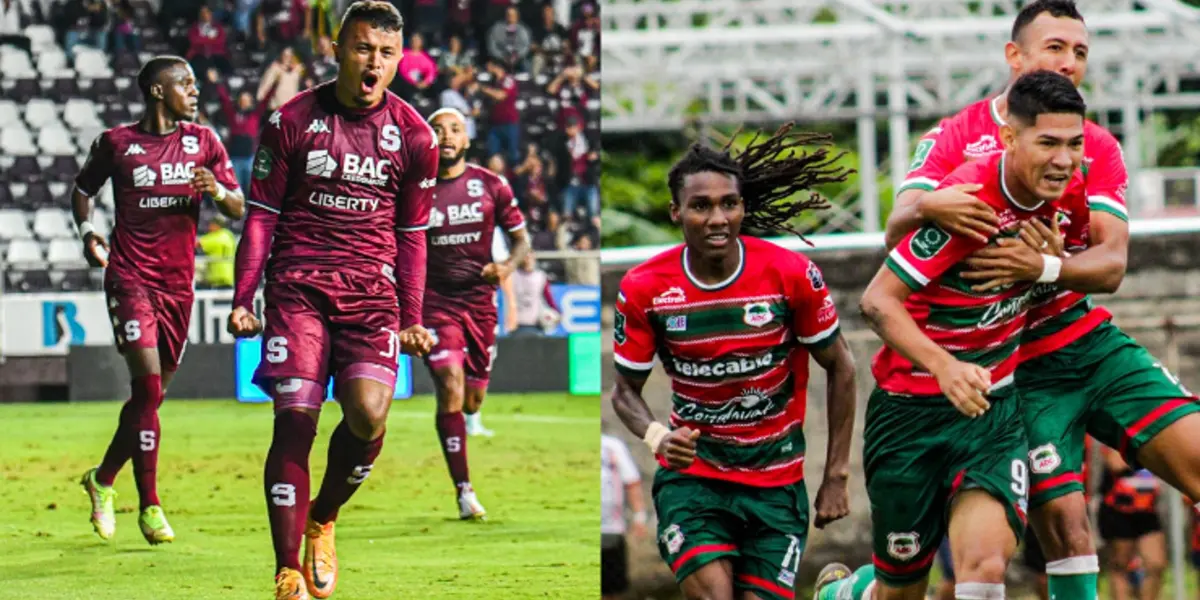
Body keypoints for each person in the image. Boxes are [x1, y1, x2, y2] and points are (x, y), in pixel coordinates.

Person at [888, 3, 1200, 597]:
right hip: (1013, 366)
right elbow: (895, 233)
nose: (1070, 62)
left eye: (1081, 52)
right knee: (1067, 526)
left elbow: (1110, 264)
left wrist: (1046, 266)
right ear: (1016, 57)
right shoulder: (954, 137)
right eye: (1055, 47)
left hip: (1086, 343)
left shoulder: (1094, 146)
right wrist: (929, 205)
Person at [225, 2, 437, 598]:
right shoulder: (290, 119)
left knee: (369, 415)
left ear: (399, 60)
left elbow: (412, 238)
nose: (374, 62)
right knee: (295, 417)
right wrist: (246, 296)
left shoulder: (416, 136)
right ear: (337, 48)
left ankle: (323, 515)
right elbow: (262, 217)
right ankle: (286, 569)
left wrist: (413, 317)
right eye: (364, 48)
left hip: (372, 295)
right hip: (298, 287)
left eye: (386, 53)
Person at [857, 70, 1089, 599]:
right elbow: (876, 301)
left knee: (984, 571)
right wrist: (944, 366)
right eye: (1048, 143)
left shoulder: (1069, 190)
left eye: (1074, 144)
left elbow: (1067, 275)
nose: (1064, 160)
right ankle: (855, 593)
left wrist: (1051, 265)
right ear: (1009, 137)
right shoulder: (970, 204)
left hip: (992, 412)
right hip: (908, 413)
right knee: (902, 589)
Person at [611, 123, 858, 600]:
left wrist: (835, 477)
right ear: (676, 211)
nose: (718, 217)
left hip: (776, 482)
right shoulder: (645, 287)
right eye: (701, 206)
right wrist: (659, 437)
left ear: (743, 207)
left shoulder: (790, 273)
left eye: (729, 203)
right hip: (695, 481)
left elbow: (842, 366)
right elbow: (624, 392)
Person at [74, 56, 245, 545]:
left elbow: (239, 205)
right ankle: (149, 505)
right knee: (147, 391)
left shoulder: (204, 142)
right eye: (185, 84)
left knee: (151, 398)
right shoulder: (117, 143)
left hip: (178, 287)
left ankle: (102, 479)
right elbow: (83, 190)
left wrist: (216, 191)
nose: (194, 91)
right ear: (156, 90)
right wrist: (88, 234)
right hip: (129, 278)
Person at [422, 107, 530, 519]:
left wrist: (506, 267)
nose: (446, 136)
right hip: (434, 303)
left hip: (480, 305)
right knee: (449, 383)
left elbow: (521, 241)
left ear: (466, 139)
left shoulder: (491, 185)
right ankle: (464, 490)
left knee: (472, 399)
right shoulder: (415, 189)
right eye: (438, 130)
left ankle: (469, 413)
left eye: (454, 129)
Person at [1098, 446, 1167, 600]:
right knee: (1120, 566)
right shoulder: (1115, 433)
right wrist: (1149, 455)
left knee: (1156, 564)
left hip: (1147, 508)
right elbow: (1116, 463)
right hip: (1118, 508)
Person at [601, 431, 648, 600]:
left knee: (610, 587)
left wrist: (639, 517)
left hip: (610, 528)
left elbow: (632, 482)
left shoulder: (612, 446)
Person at [196, 215, 236, 288]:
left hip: (218, 277)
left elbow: (197, 244)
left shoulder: (216, 237)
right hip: (229, 277)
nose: (209, 227)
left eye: (211, 224)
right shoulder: (229, 236)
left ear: (216, 226)